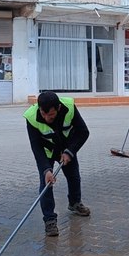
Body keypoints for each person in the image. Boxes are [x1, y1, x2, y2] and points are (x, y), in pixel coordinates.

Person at [24, 91, 91, 237]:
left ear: (58, 108)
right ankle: (49, 220)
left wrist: (70, 151)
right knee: (46, 183)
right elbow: (36, 147)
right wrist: (46, 169)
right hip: (47, 151)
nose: (47, 118)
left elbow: (83, 132)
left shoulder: (69, 108)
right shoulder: (31, 117)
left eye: (52, 115)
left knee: (74, 177)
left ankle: (74, 203)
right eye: (44, 114)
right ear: (39, 109)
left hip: (66, 148)